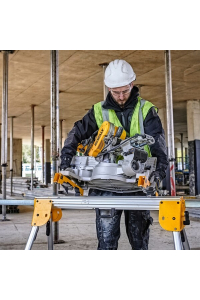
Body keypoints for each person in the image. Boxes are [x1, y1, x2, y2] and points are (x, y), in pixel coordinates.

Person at [60, 59, 168, 250]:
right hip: (105, 184)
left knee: (139, 242)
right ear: (109, 88)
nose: (120, 96)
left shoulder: (146, 110)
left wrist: (159, 172)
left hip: (138, 183)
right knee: (106, 243)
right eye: (115, 92)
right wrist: (66, 158)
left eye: (124, 91)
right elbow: (77, 132)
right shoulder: (98, 111)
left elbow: (158, 145)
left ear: (132, 84)